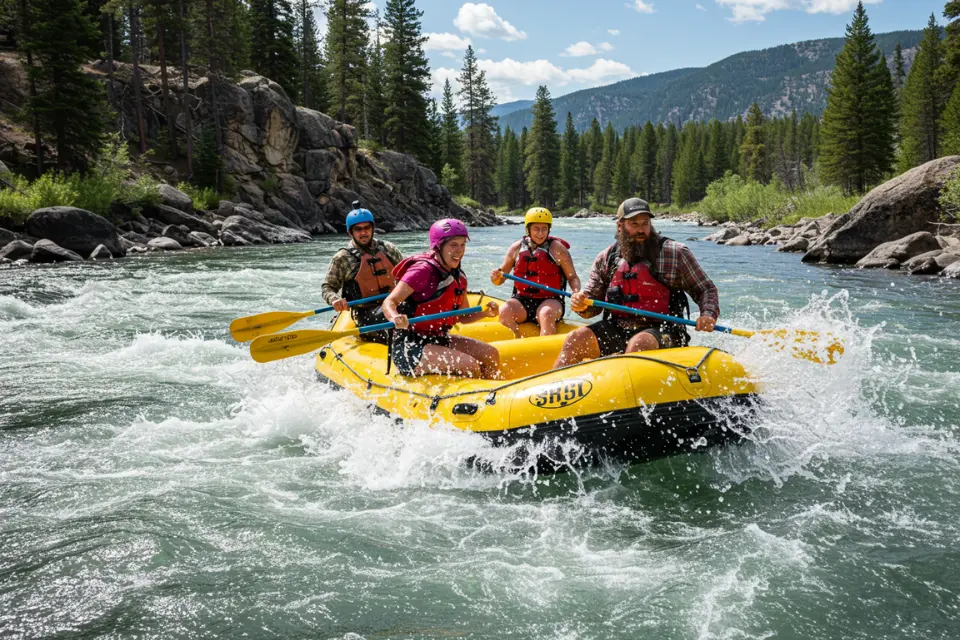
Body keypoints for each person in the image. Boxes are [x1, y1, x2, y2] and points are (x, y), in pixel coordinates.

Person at [553, 198, 719, 368]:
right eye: (634, 224)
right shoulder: (607, 258)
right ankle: (553, 389)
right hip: (619, 328)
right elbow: (592, 306)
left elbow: (706, 289)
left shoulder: (675, 253)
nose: (641, 229)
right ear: (620, 226)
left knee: (639, 344)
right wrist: (581, 304)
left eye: (645, 223)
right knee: (575, 340)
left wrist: (708, 314)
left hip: (666, 331)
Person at [382, 219, 501, 378]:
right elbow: (389, 302)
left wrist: (485, 313)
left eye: (462, 244)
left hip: (439, 339)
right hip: (410, 345)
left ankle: (492, 394)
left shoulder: (459, 276)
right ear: (438, 247)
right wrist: (395, 316)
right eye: (453, 245)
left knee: (491, 354)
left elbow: (462, 316)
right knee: (470, 365)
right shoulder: (421, 271)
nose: (459, 250)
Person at [490, 207, 581, 337]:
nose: (540, 233)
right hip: (522, 300)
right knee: (505, 310)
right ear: (528, 229)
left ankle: (546, 350)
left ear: (549, 229)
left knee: (545, 314)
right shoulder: (516, 248)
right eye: (536, 229)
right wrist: (495, 276)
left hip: (551, 300)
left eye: (544, 229)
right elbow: (499, 280)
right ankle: (516, 345)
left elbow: (572, 277)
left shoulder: (558, 249)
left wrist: (576, 292)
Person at [321, 203, 403, 344]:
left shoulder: (388, 249)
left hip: (394, 304)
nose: (363, 233)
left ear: (372, 228)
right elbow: (327, 287)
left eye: (367, 228)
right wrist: (334, 299)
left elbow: (407, 274)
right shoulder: (342, 258)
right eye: (358, 229)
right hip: (366, 313)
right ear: (350, 232)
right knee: (391, 315)